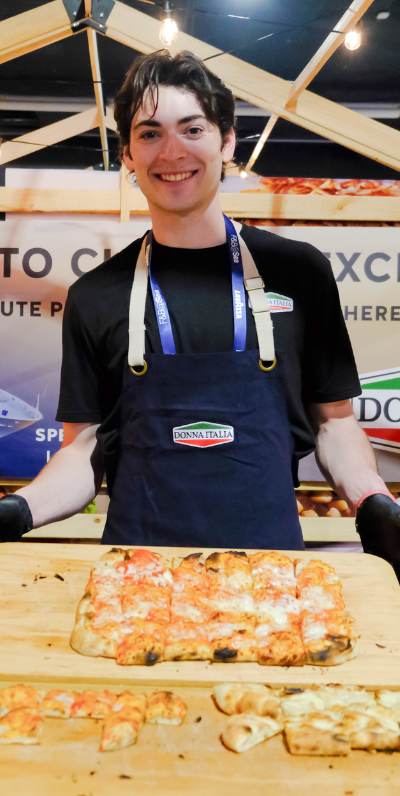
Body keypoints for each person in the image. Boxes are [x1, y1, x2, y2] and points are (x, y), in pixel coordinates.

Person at [1, 51, 400, 568]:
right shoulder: (95, 295)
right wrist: (19, 509)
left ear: (226, 140)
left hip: (270, 580)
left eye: (192, 129)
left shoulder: (300, 273)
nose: (172, 152)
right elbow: (82, 451)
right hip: (138, 580)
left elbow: (334, 424)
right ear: (127, 154)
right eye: (150, 133)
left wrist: (373, 500)